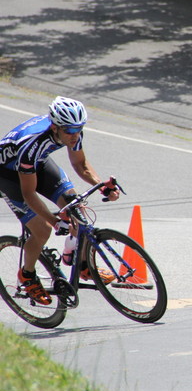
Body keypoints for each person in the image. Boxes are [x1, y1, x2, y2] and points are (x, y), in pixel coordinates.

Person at [0, 96, 120, 305]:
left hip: (39, 163)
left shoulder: (71, 130)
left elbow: (80, 163)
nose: (74, 136)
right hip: (7, 175)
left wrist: (101, 185)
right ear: (55, 127)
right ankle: (27, 275)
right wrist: (55, 221)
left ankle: (83, 264)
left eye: (79, 129)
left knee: (78, 212)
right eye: (69, 131)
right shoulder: (31, 144)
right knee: (43, 229)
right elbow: (29, 193)